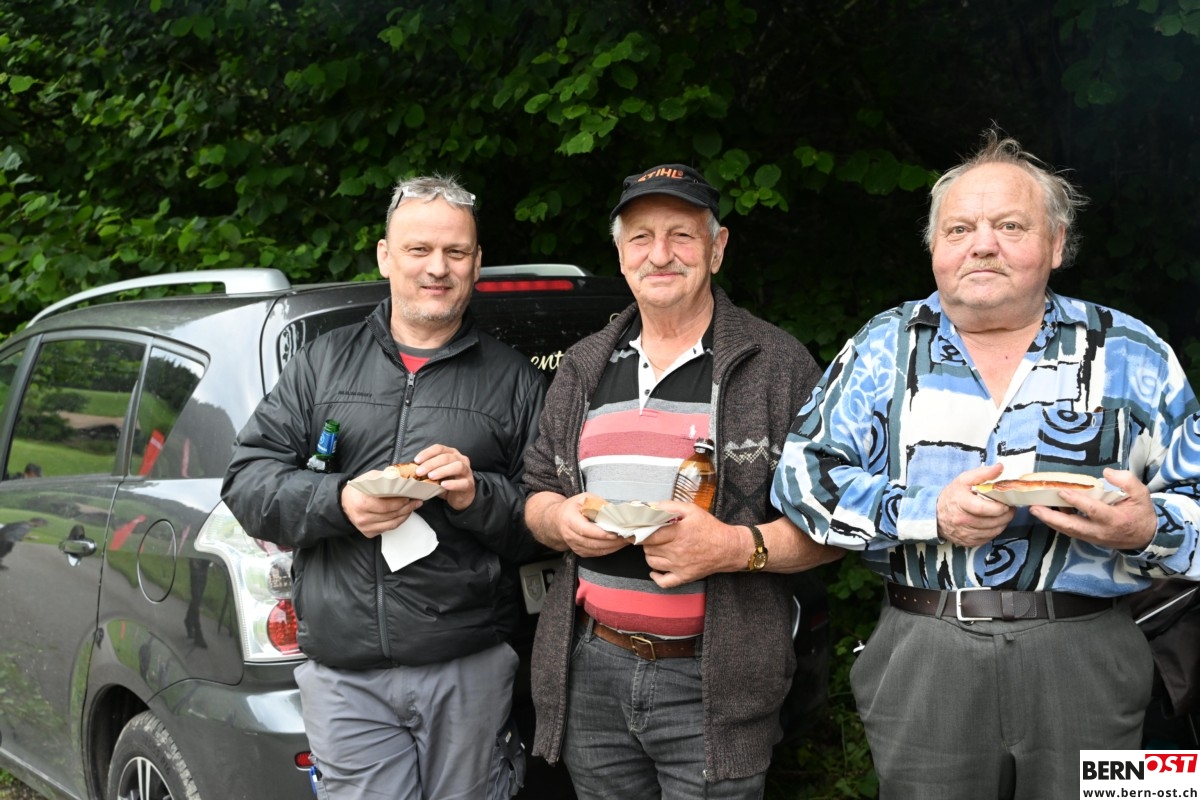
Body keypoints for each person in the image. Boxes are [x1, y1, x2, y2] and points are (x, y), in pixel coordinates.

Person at [771, 130, 1200, 799]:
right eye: (960, 228)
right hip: (925, 652)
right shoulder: (883, 347)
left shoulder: (1133, 351)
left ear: (1056, 244)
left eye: (1010, 225)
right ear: (935, 248)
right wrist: (928, 513)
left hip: (1090, 652)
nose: (982, 244)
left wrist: (1148, 529)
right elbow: (802, 479)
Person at [522, 163, 841, 799]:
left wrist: (732, 548)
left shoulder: (776, 365)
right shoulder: (583, 366)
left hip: (715, 684)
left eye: (682, 236)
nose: (660, 254)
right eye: (641, 237)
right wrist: (558, 521)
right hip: (592, 672)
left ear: (717, 249)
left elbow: (836, 526)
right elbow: (535, 491)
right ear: (621, 256)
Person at [222, 175, 546, 800]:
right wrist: (339, 502)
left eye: (455, 252)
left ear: (477, 263)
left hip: (468, 666)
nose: (437, 268)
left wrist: (475, 495)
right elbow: (247, 482)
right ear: (385, 256)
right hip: (347, 678)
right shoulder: (322, 364)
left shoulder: (515, 382)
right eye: (419, 249)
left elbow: (544, 523)